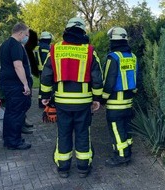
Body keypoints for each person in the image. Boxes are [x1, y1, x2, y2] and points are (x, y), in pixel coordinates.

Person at [40, 17, 103, 178]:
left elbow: (46, 74)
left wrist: (45, 96)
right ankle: (83, 167)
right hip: (83, 102)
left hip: (62, 102)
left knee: (64, 133)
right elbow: (97, 77)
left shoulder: (55, 49)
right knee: (83, 133)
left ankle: (63, 168)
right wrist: (97, 99)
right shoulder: (89, 50)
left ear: (66, 31)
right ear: (82, 31)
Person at [102, 26, 138, 167]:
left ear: (113, 40)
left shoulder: (113, 58)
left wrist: (102, 98)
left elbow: (108, 80)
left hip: (115, 102)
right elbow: (136, 77)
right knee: (126, 127)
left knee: (116, 130)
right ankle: (127, 151)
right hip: (129, 101)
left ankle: (122, 157)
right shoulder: (133, 57)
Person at [0, 22, 33, 150]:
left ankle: (8, 139)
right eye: (26, 34)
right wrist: (25, 84)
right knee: (17, 113)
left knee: (10, 112)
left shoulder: (5, 44)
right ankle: (15, 142)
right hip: (16, 85)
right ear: (20, 33)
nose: (27, 37)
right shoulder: (16, 45)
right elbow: (18, 66)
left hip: (8, 84)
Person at [33, 31, 53, 108]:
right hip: (45, 69)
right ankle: (46, 102)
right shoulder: (45, 47)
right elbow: (46, 59)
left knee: (41, 86)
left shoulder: (38, 46)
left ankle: (40, 102)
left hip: (39, 68)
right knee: (46, 85)